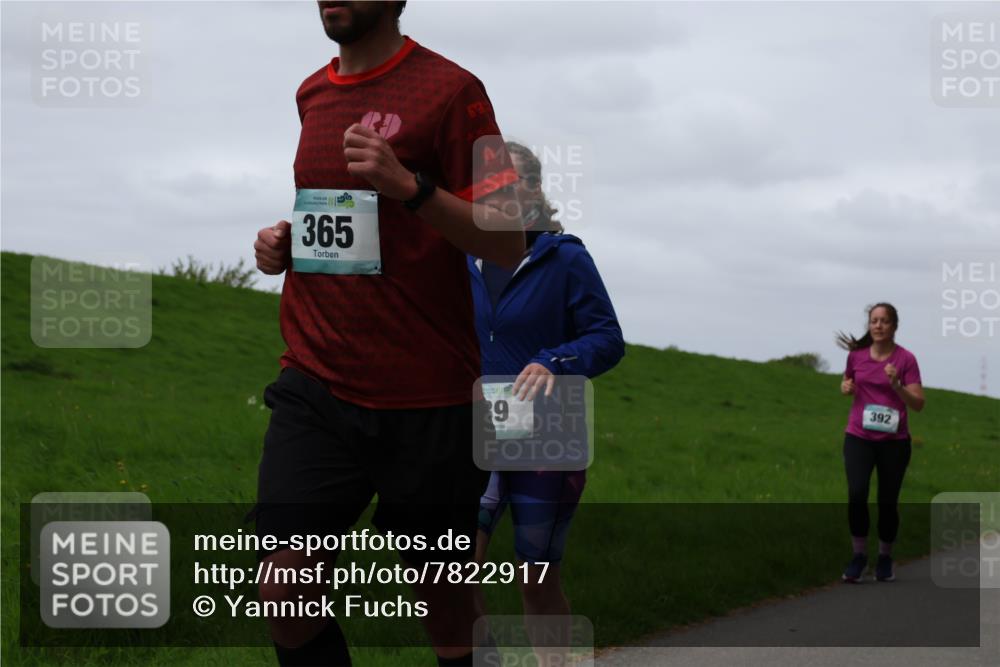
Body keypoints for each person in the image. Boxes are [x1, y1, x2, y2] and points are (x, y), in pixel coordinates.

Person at [251, 2, 523, 665]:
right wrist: (285, 246)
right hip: (317, 379)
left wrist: (413, 188)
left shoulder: (454, 91)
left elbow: (509, 239)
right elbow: (340, 217)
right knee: (285, 586)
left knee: (447, 608)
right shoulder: (311, 93)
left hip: (426, 393)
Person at [469, 142, 625, 655]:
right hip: (475, 428)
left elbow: (607, 340)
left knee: (535, 581)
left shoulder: (566, 258)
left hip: (549, 433)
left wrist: (554, 360)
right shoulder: (459, 257)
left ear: (533, 190)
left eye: (505, 186)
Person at [837, 303, 925, 583]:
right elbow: (848, 381)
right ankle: (859, 556)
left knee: (887, 502)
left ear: (894, 326)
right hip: (859, 437)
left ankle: (885, 557)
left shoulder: (906, 359)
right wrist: (845, 387)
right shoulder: (856, 355)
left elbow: (919, 404)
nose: (878, 325)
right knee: (857, 493)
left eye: (884, 321)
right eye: (874, 321)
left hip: (894, 442)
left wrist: (897, 385)